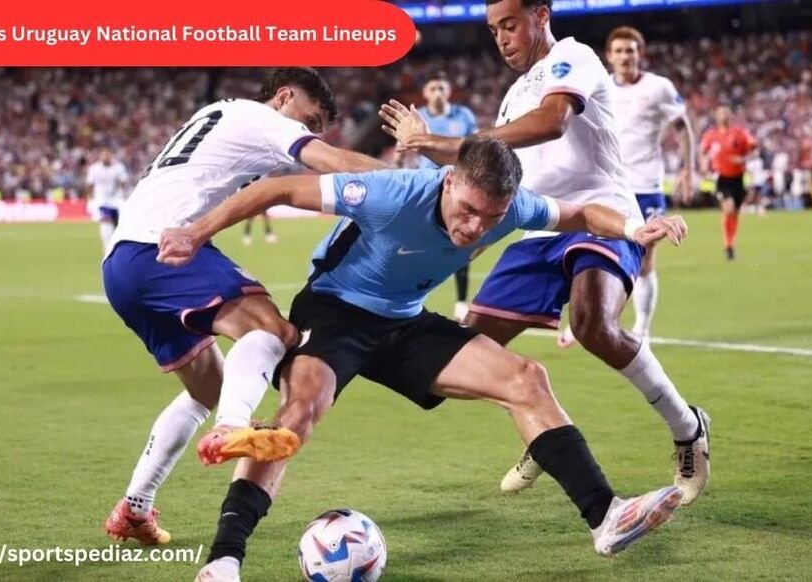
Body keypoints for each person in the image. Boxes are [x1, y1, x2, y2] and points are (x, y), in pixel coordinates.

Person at [157, 137, 689, 582]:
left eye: (492, 217)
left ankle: (607, 517)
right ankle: (224, 560)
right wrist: (196, 232)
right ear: (449, 180)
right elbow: (275, 188)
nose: (476, 228)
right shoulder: (391, 193)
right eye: (468, 211)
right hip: (335, 311)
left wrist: (629, 229)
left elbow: (577, 213)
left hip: (405, 320)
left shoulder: (512, 206)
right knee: (299, 416)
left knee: (527, 378)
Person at [379, 0, 710, 505]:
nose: (502, 38)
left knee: (592, 323)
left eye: (509, 25)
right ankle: (547, 431)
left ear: (541, 14)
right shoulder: (511, 98)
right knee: (461, 355)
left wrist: (445, 140)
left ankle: (687, 427)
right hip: (538, 229)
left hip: (599, 214)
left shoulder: (575, 57)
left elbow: (553, 122)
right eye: (493, 30)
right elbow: (499, 182)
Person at [101, 67, 388, 546]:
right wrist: (429, 181)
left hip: (122, 263)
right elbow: (331, 160)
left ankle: (135, 507)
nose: (309, 130)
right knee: (273, 330)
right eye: (309, 118)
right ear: (284, 97)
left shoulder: (221, 114)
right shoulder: (262, 119)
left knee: (205, 391)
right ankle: (233, 428)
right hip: (164, 249)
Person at [557, 26, 696, 344]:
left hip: (646, 183)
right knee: (591, 251)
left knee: (644, 257)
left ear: (639, 53)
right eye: (618, 51)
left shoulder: (659, 87)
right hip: (607, 185)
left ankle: (642, 328)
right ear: (609, 55)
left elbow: (683, 127)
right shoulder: (599, 86)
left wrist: (689, 169)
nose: (624, 56)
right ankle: (588, 318)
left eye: (630, 50)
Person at [416, 71, 480, 321]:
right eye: (433, 88)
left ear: (449, 91)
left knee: (461, 242)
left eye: (442, 88)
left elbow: (474, 146)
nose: (438, 93)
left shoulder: (463, 115)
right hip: (428, 189)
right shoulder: (419, 116)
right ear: (425, 93)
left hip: (457, 189)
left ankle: (461, 301)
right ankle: (413, 299)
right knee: (419, 245)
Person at [700, 105, 758, 260]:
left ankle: (731, 244)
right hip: (721, 178)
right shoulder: (711, 135)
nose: (723, 116)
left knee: (735, 213)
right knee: (728, 208)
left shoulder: (740, 133)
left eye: (726, 113)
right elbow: (703, 153)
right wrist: (704, 165)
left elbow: (753, 149)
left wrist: (743, 159)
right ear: (716, 117)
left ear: (730, 116)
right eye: (720, 113)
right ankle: (727, 244)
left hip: (738, 178)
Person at [85, 149, 129, 253]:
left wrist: (124, 194)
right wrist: (90, 197)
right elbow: (90, 184)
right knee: (105, 221)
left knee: (117, 224)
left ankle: (116, 244)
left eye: (107, 155)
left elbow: (123, 181)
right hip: (101, 200)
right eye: (103, 156)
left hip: (116, 199)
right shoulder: (94, 169)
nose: (105, 158)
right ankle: (107, 247)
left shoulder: (118, 167)